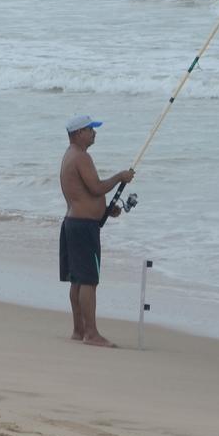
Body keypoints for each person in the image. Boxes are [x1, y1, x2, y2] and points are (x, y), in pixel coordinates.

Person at [59, 113, 134, 347]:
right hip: (82, 228)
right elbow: (96, 187)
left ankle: (79, 330)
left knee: (78, 281)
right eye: (91, 129)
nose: (94, 133)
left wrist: (105, 211)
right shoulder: (81, 157)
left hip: (74, 224)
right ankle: (91, 334)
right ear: (78, 133)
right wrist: (121, 176)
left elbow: (82, 194)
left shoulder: (70, 156)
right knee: (88, 280)